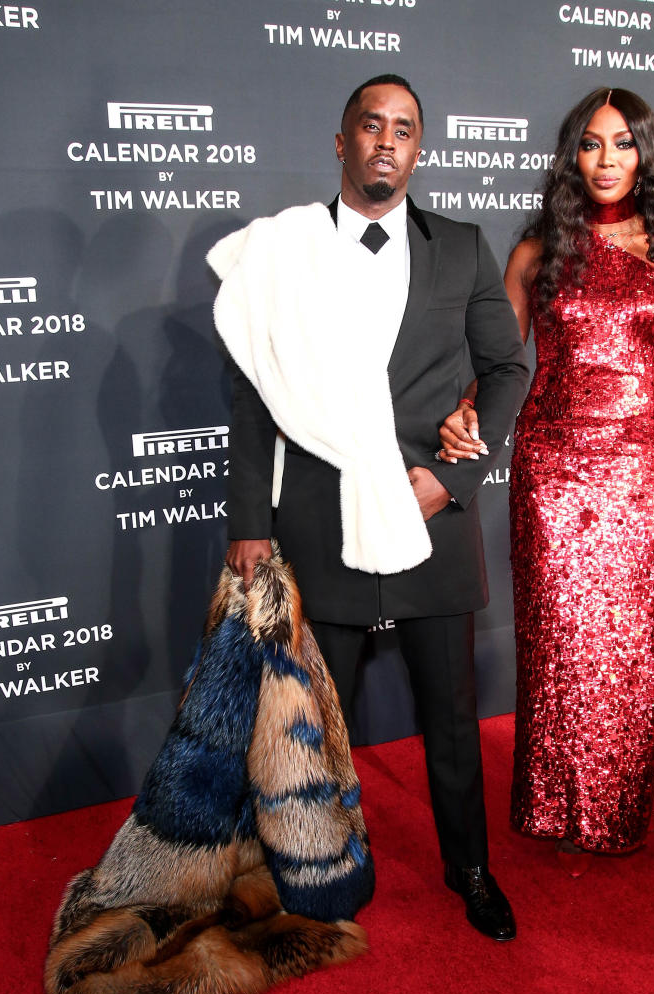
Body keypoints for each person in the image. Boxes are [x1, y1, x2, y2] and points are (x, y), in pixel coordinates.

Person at [211, 74, 530, 939]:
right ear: (342, 140)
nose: (387, 141)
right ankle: (317, 872)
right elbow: (253, 392)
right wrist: (249, 520)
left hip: (430, 516)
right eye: (371, 126)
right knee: (314, 720)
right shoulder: (286, 250)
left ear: (418, 148)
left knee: (454, 720)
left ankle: (470, 869)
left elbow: (509, 370)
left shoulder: (462, 247)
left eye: (405, 129)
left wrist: (455, 480)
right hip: (320, 517)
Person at [439, 88, 654, 886]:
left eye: (623, 145)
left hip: (637, 473)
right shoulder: (538, 254)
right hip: (550, 475)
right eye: (592, 145)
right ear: (573, 156)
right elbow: (503, 368)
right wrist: (465, 414)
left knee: (653, 644)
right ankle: (579, 804)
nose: (607, 161)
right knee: (563, 647)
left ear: (646, 155)